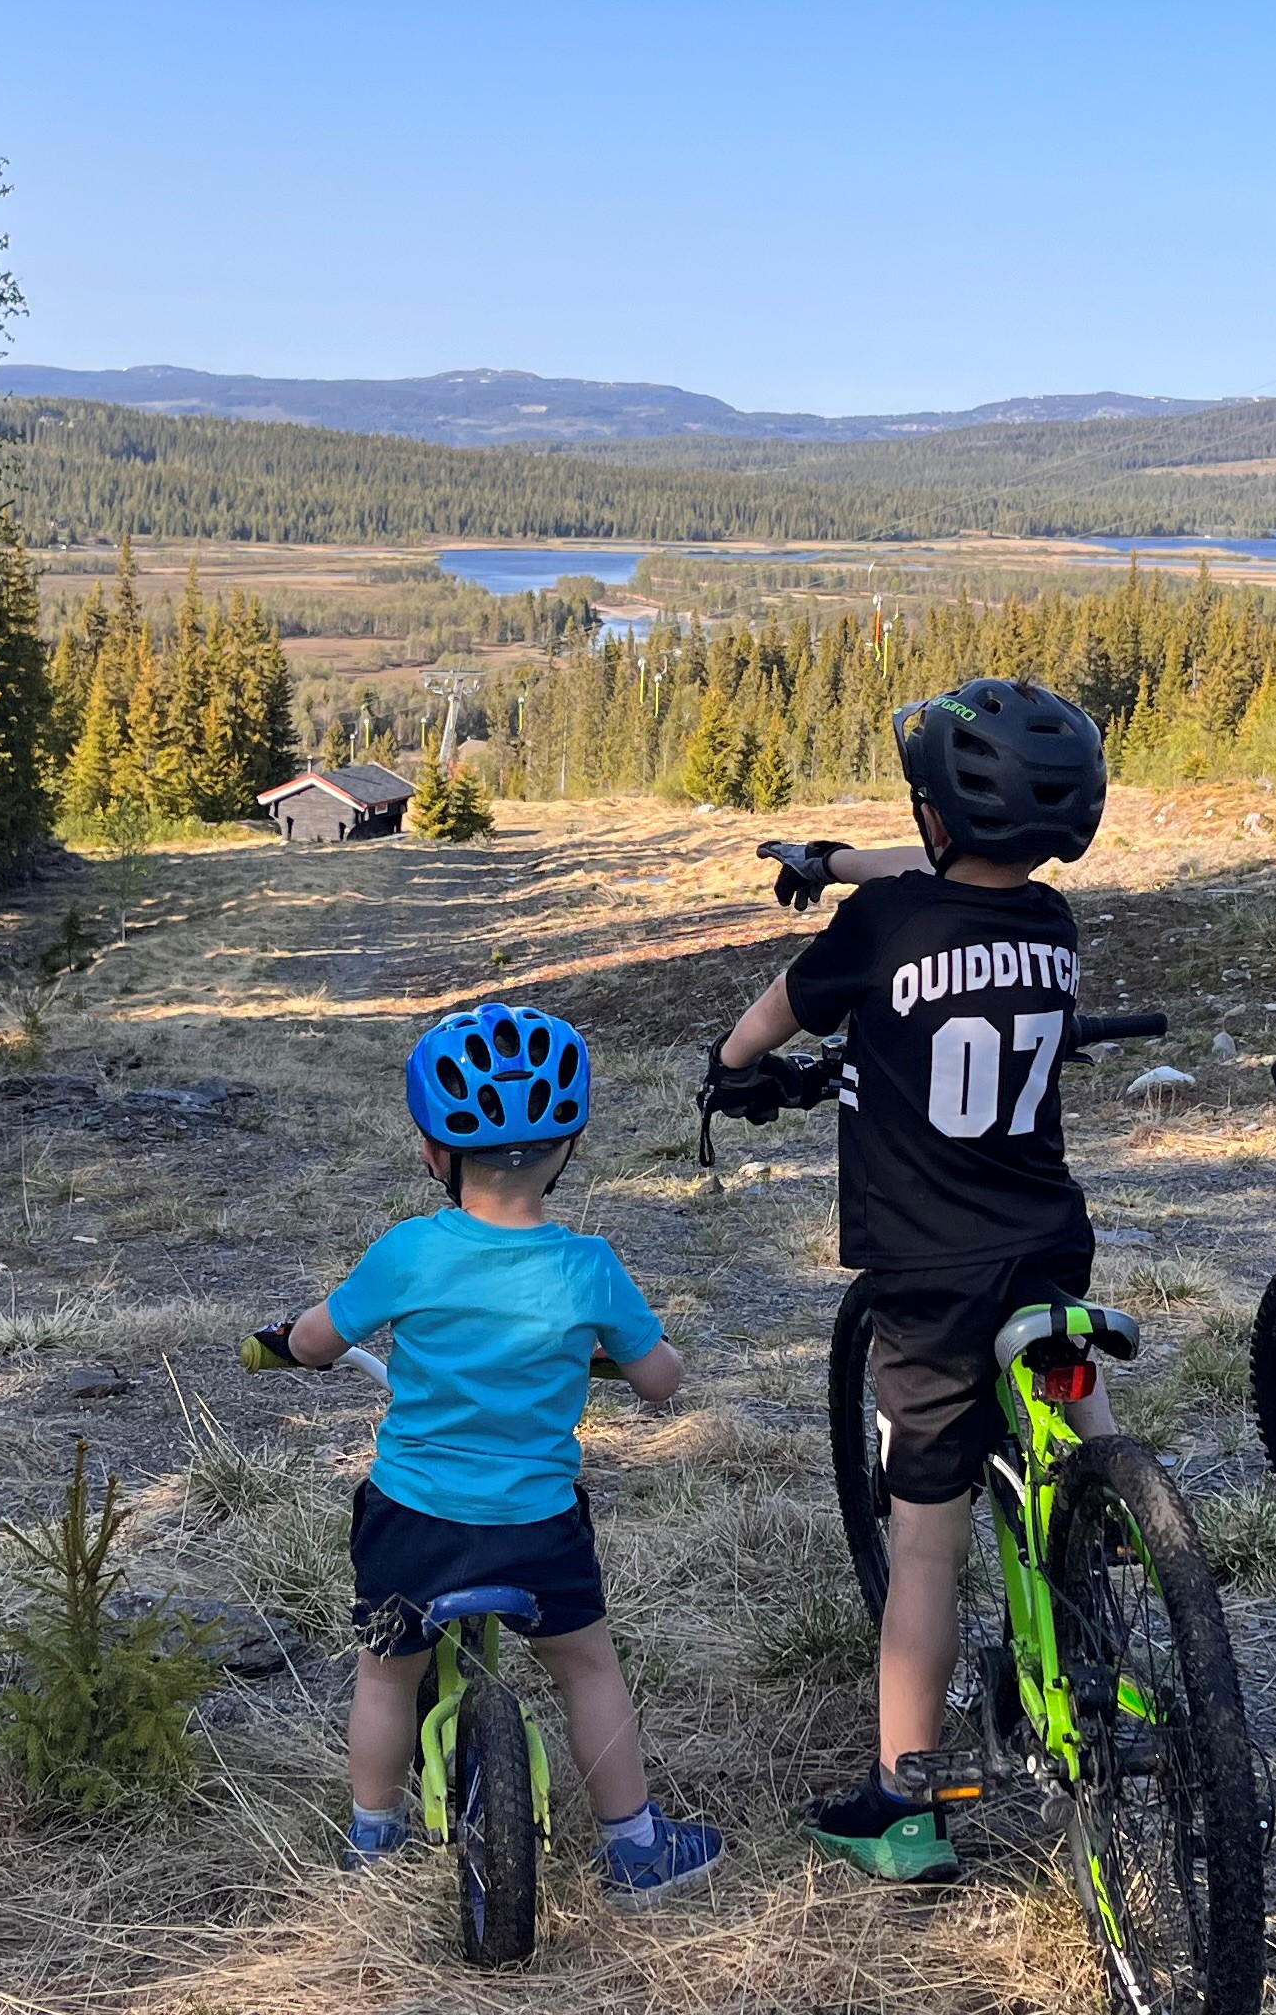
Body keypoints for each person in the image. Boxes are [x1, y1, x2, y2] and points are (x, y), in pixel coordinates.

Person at [704, 677, 1112, 1884]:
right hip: (1048, 1243)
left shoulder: (877, 933)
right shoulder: (1055, 926)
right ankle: (1119, 1514)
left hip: (929, 1277)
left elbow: (775, 1016)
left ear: (935, 812)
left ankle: (908, 1804)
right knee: (1067, 1378)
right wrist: (834, 858)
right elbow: (947, 869)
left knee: (924, 1543)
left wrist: (730, 1067)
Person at [250, 1002, 725, 1901]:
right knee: (587, 1669)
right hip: (535, 1525)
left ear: (434, 1153)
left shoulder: (408, 1253)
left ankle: (373, 1840)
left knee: (387, 1674)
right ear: (570, 1146)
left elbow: (316, 1341)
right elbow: (662, 1380)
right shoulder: (591, 1268)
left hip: (415, 1520)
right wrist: (609, 1354)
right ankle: (634, 1846)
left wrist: (287, 1341)